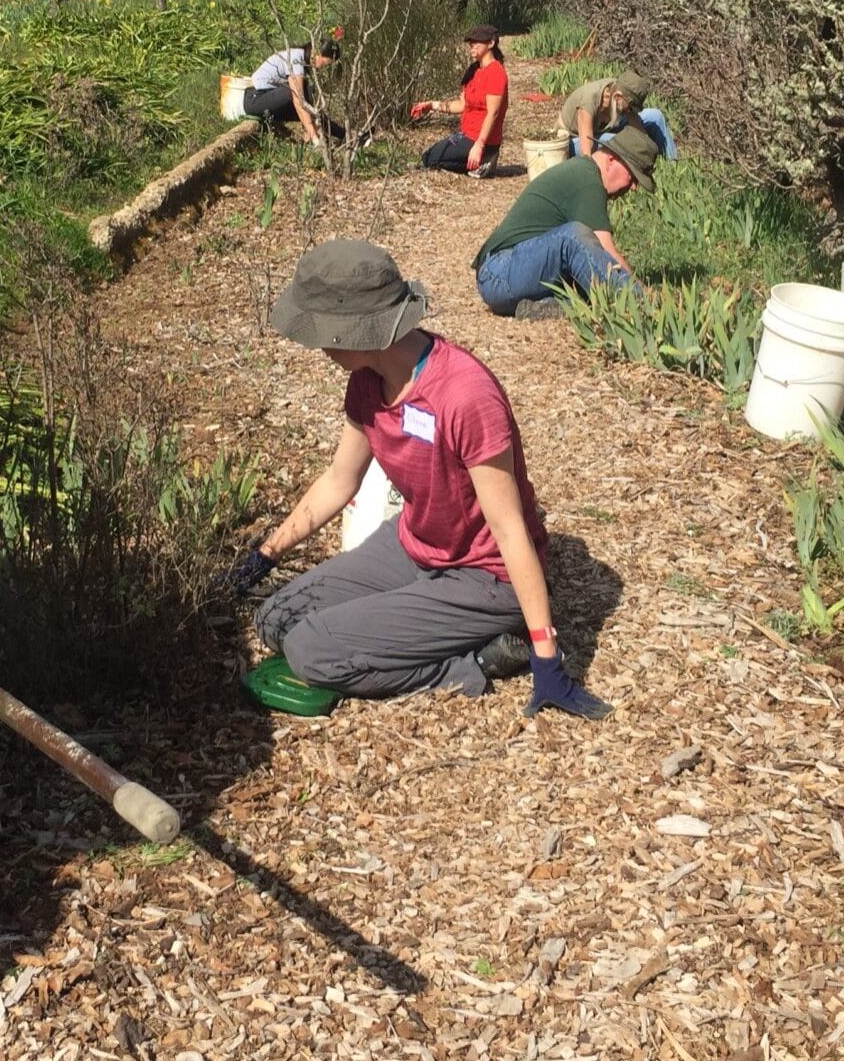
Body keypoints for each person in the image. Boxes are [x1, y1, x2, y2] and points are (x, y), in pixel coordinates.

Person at [219, 239, 611, 719]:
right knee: (274, 619)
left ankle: (474, 664)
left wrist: (547, 656)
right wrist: (261, 558)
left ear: (356, 328)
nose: (318, 346)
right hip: (415, 544)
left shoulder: (464, 395)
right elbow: (339, 481)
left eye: (323, 330)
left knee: (310, 651)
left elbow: (511, 532)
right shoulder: (366, 381)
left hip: (484, 577)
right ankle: (418, 620)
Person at [472, 124, 661, 318]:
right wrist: (644, 293)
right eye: (632, 177)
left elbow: (594, 259)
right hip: (499, 273)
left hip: (508, 275)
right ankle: (634, 303)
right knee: (573, 237)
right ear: (612, 160)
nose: (634, 187)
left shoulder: (585, 171)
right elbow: (606, 252)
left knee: (586, 274)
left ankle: (548, 306)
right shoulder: (587, 180)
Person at [412, 25, 509, 177]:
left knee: (434, 160)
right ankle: (478, 163)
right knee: (428, 156)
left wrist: (479, 145)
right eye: (471, 42)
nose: (472, 45)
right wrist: (432, 105)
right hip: (466, 134)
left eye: (477, 41)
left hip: (483, 140)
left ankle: (485, 159)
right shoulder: (473, 70)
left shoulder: (496, 72)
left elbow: (493, 113)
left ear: (491, 43)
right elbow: (462, 105)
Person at [246, 35, 342, 145]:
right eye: (324, 63)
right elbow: (298, 99)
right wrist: (314, 135)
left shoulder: (303, 64)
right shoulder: (296, 58)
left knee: (312, 109)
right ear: (317, 53)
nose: (322, 67)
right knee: (296, 93)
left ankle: (345, 135)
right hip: (255, 98)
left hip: (270, 98)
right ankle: (314, 138)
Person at [559, 70, 675, 160]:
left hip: (606, 129)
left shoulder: (622, 90)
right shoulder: (589, 101)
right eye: (629, 107)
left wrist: (646, 147)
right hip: (576, 140)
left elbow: (638, 129)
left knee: (656, 116)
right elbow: (586, 150)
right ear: (618, 97)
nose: (630, 111)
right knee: (615, 140)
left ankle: (672, 162)